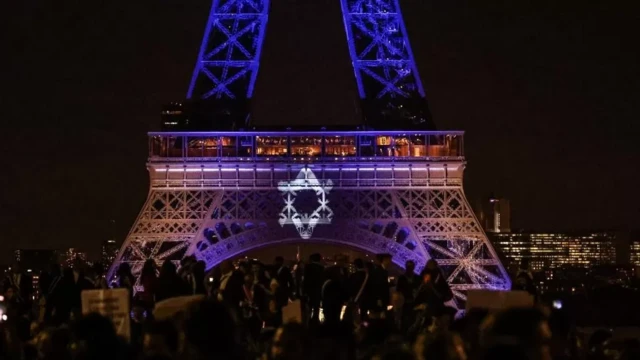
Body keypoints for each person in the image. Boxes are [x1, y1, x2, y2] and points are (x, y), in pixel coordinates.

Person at [303, 253, 325, 324]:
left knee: (309, 307)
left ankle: (308, 321)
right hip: (318, 291)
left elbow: (306, 280)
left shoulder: (308, 267)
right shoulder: (322, 268)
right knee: (316, 307)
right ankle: (316, 321)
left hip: (309, 291)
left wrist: (304, 291)